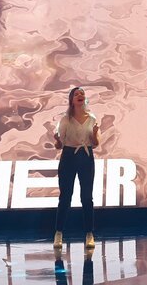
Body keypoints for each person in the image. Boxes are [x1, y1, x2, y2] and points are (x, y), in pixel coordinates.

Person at [53, 87, 100, 249]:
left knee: (87, 197)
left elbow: (96, 143)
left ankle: (89, 234)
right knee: (65, 197)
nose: (80, 95)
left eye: (82, 94)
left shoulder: (92, 118)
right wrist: (57, 140)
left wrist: (94, 134)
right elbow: (59, 145)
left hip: (86, 157)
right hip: (69, 156)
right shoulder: (66, 119)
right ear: (71, 100)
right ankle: (58, 233)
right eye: (76, 94)